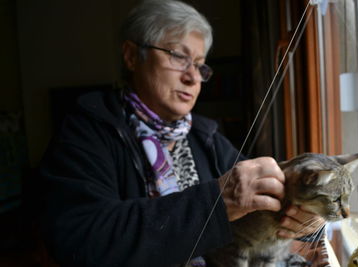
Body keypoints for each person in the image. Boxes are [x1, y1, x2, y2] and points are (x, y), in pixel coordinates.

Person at [39, 1, 324, 266]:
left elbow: (262, 212)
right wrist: (216, 203)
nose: (192, 77)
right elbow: (78, 241)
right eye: (178, 56)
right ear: (131, 56)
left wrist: (304, 218)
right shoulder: (87, 130)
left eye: (200, 65)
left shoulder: (206, 136)